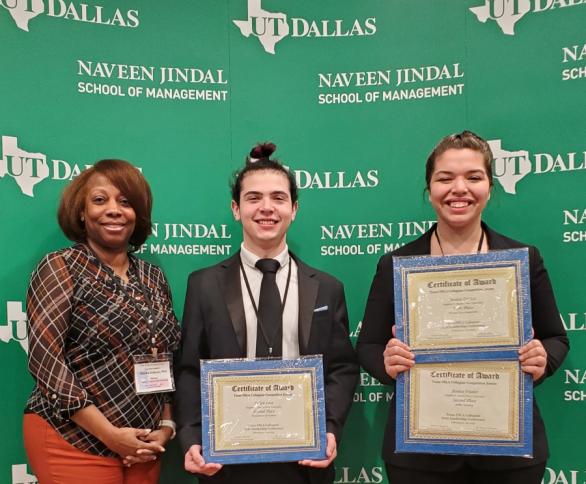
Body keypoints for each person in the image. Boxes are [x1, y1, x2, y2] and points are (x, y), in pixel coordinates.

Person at [356, 131, 569, 484]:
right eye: (445, 178)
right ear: (429, 189)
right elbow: (367, 346)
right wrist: (388, 363)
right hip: (421, 455)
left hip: (509, 452)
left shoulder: (522, 260)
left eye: (473, 177)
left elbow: (556, 338)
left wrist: (542, 357)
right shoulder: (397, 263)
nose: (459, 189)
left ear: (490, 186)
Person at [174, 143, 359, 484]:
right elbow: (189, 369)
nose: (266, 208)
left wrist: (329, 429)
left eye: (278, 198)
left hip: (304, 459)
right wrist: (191, 437)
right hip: (225, 461)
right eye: (253, 198)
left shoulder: (327, 287)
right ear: (235, 208)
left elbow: (342, 368)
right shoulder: (203, 285)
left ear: (294, 208)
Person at [24, 159, 181, 484]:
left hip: (143, 442)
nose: (114, 210)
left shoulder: (152, 276)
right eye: (100, 200)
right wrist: (110, 434)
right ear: (81, 212)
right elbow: (45, 361)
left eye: (125, 202)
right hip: (71, 437)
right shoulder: (60, 267)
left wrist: (166, 426)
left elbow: (162, 358)